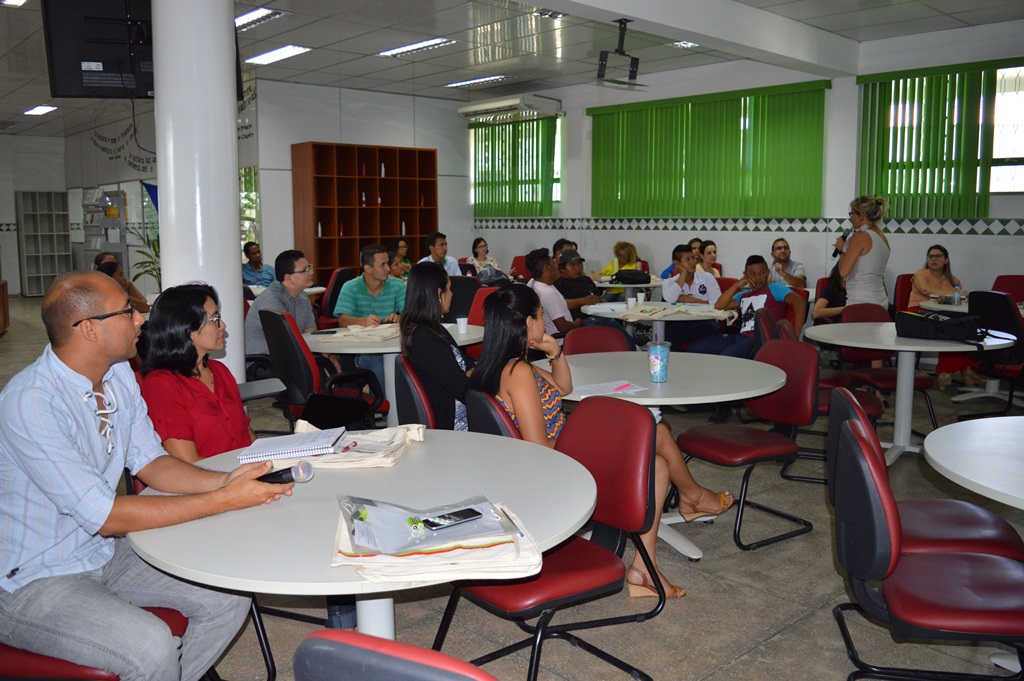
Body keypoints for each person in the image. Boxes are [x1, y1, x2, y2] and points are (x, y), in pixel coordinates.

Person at [0, 271, 291, 681]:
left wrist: (226, 481)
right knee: (151, 646)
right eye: (127, 311)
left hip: (99, 554)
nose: (141, 318)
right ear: (87, 330)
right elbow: (105, 515)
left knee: (228, 596)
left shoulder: (117, 374)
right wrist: (223, 500)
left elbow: (151, 462)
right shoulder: (32, 402)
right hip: (31, 579)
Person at [468, 285, 733, 599]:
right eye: (540, 315)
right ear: (528, 323)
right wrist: (586, 442)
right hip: (553, 468)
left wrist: (555, 353)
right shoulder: (519, 372)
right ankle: (694, 497)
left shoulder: (497, 367)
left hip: (543, 462)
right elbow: (537, 447)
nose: (544, 322)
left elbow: (563, 387)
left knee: (658, 465)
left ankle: (645, 569)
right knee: (655, 431)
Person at [141, 283, 252, 461]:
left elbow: (245, 435)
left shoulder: (220, 371)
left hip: (243, 474)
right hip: (210, 483)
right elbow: (188, 463)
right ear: (186, 328)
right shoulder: (161, 385)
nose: (222, 325)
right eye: (214, 319)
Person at [400, 263, 475, 431]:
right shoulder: (424, 339)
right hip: (458, 422)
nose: (452, 294)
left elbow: (467, 365)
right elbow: (463, 388)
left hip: (463, 411)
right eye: (449, 289)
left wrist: (470, 373)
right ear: (438, 294)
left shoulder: (433, 329)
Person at [692, 255, 807, 360]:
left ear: (768, 272)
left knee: (726, 357)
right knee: (696, 348)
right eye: (753, 274)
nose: (758, 278)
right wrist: (736, 285)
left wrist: (795, 336)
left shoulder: (775, 288)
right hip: (740, 336)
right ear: (745, 275)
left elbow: (800, 303)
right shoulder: (744, 295)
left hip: (760, 340)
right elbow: (719, 306)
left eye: (762, 273)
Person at [908, 245, 983, 389]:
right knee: (950, 328)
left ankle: (964, 369)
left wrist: (962, 295)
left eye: (938, 256)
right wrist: (954, 294)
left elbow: (959, 301)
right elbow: (925, 290)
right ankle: (949, 370)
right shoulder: (921, 274)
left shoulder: (954, 280)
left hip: (943, 314)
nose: (933, 259)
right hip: (919, 313)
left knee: (965, 326)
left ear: (946, 260)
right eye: (930, 256)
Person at [334, 244, 405, 388]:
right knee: (379, 367)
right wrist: (363, 321)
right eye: (382, 265)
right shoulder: (350, 287)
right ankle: (386, 407)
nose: (388, 269)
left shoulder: (398, 285)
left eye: (388, 264)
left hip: (393, 345)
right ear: (367, 268)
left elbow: (409, 313)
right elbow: (342, 320)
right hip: (363, 348)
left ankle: (393, 407)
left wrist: (399, 317)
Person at [244, 249, 317, 380]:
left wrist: (328, 356)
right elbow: (284, 343)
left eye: (310, 267)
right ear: (288, 277)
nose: (311, 272)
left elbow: (311, 332)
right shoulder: (272, 300)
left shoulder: (303, 297)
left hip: (289, 355)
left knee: (330, 365)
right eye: (305, 270)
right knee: (308, 374)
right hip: (262, 361)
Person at [554, 248, 635, 349]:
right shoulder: (558, 284)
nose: (577, 268)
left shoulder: (586, 280)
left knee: (629, 345)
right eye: (572, 265)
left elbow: (598, 298)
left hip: (603, 316)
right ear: (562, 268)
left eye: (579, 264)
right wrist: (582, 301)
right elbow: (558, 305)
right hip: (583, 321)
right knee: (607, 346)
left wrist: (600, 301)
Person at [835, 195, 891, 310]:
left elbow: (843, 272)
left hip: (861, 303)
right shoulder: (882, 237)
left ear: (861, 215)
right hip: (880, 302)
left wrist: (842, 250)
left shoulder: (861, 236)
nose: (851, 218)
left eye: (852, 214)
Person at [661, 244, 720, 350]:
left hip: (704, 320)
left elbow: (718, 304)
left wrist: (691, 300)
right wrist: (682, 275)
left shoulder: (707, 278)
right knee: (669, 337)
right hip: (679, 322)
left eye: (693, 258)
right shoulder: (669, 283)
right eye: (687, 259)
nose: (692, 262)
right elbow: (669, 299)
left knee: (706, 338)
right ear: (677, 263)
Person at [526, 247, 581, 341]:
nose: (557, 265)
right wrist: (577, 324)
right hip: (562, 342)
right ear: (546, 268)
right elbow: (562, 326)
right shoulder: (549, 293)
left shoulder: (532, 283)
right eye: (553, 263)